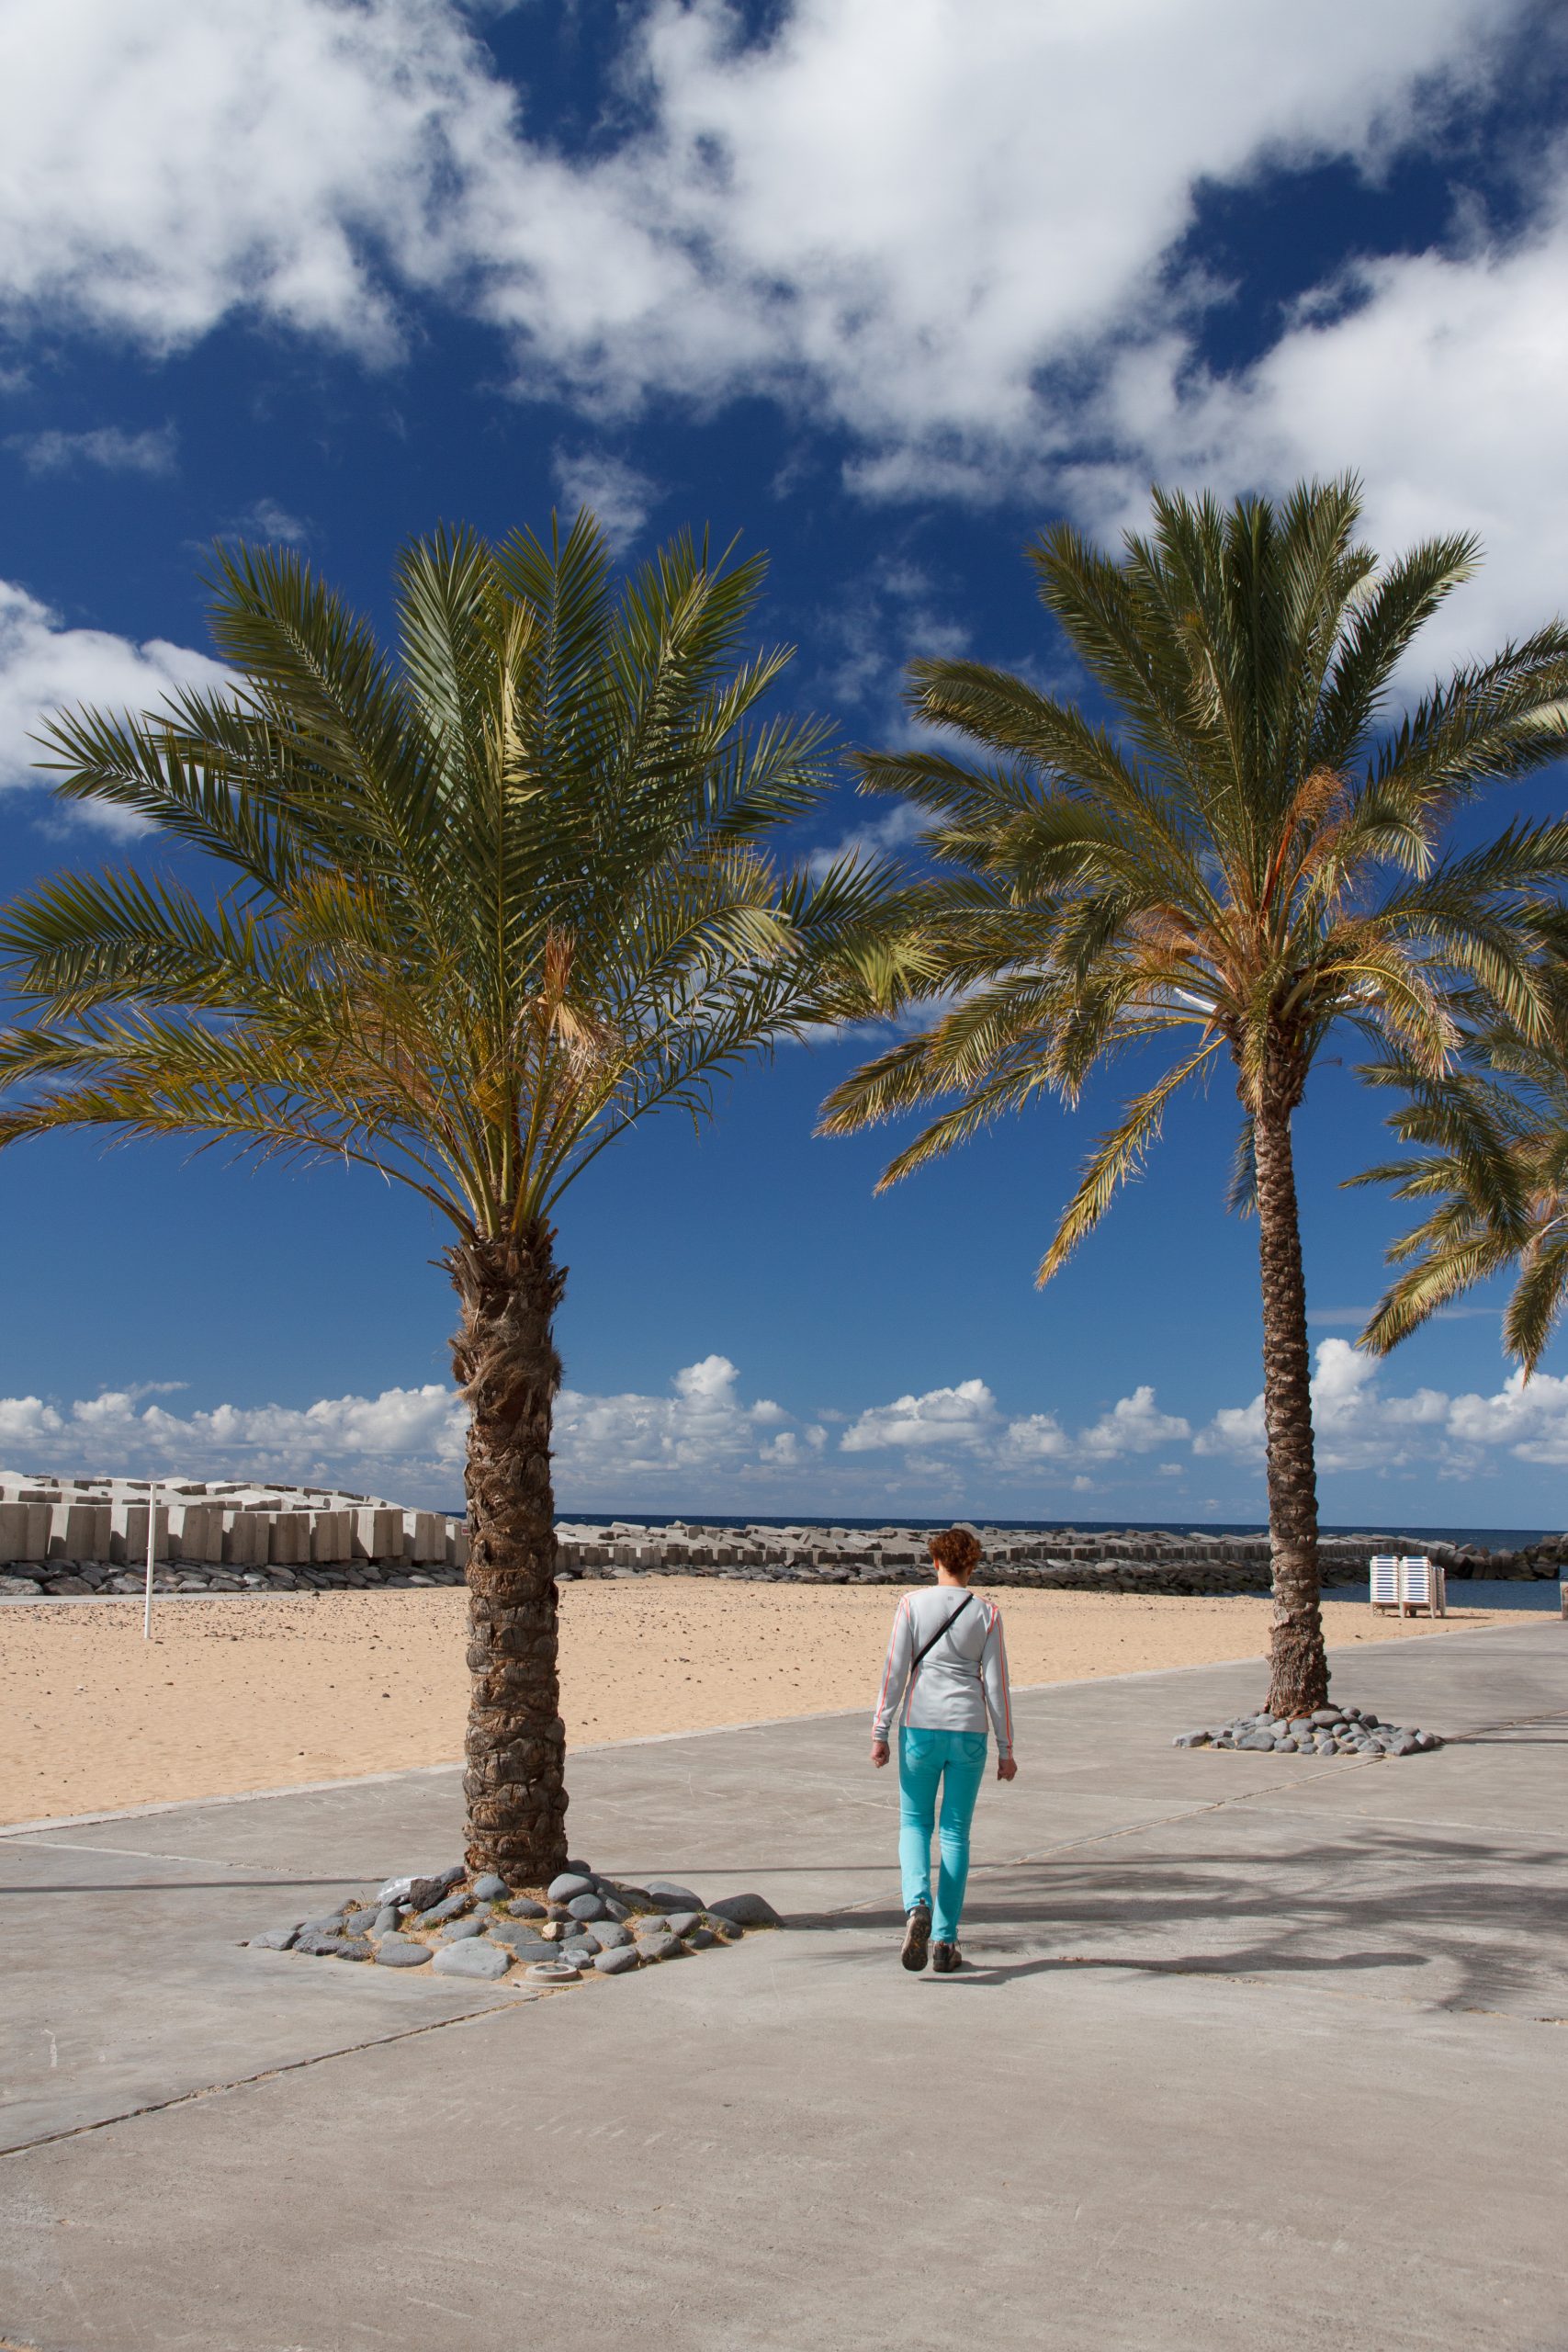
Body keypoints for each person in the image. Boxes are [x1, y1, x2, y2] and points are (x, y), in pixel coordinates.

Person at [871, 1524, 1017, 1973]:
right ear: (972, 1565)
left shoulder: (911, 1604)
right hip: (969, 1730)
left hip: (920, 1727)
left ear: (934, 1561)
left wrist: (880, 1730)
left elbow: (895, 1671)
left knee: (914, 1823)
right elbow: (997, 1686)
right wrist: (1006, 1748)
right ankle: (945, 1941)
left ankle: (917, 1906)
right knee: (955, 1834)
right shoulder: (987, 1613)